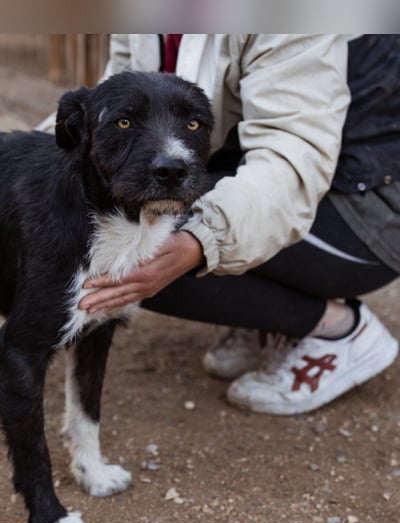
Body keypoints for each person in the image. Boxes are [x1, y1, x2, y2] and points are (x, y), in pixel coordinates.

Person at [55, 34, 400, 415]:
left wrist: (200, 240)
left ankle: (340, 329)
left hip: (374, 209)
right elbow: (115, 112)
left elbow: (292, 159)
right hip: (322, 178)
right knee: (110, 211)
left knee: (141, 235)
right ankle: (264, 321)